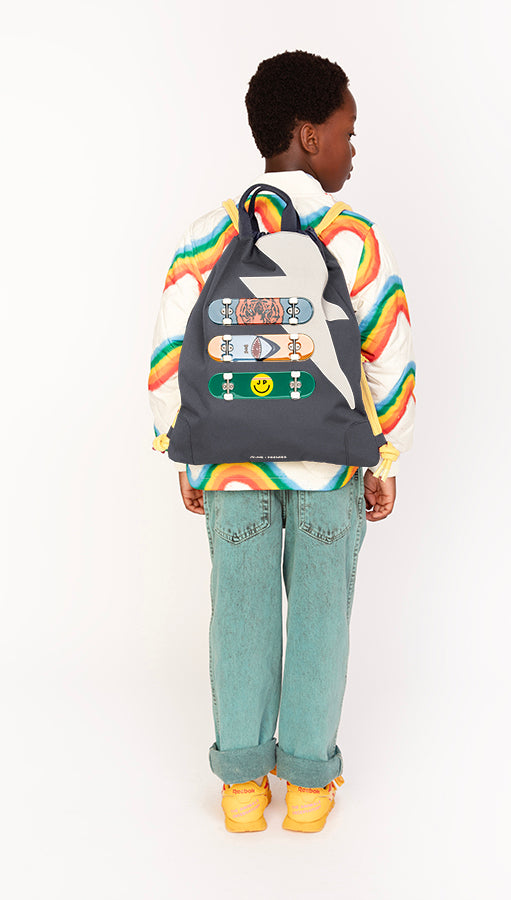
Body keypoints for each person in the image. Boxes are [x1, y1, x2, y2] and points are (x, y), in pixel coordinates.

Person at [148, 50, 416, 833]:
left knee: (239, 612)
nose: (352, 149)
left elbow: (168, 355)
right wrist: (386, 455)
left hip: (229, 464)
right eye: (346, 132)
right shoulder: (351, 235)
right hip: (329, 464)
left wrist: (183, 450)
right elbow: (388, 352)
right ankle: (306, 787)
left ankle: (240, 789)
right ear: (308, 135)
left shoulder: (208, 234)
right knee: (321, 617)